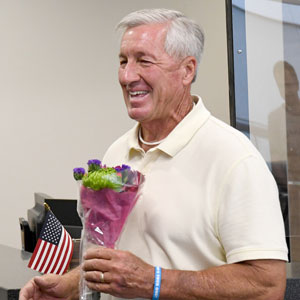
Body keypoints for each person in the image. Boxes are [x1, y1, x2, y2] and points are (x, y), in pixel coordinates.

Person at [20, 8, 288, 300]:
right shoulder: (117, 152)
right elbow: (117, 263)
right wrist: (68, 287)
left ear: (187, 70)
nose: (126, 76)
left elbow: (267, 285)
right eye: (123, 61)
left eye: (143, 61)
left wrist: (156, 281)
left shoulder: (235, 159)